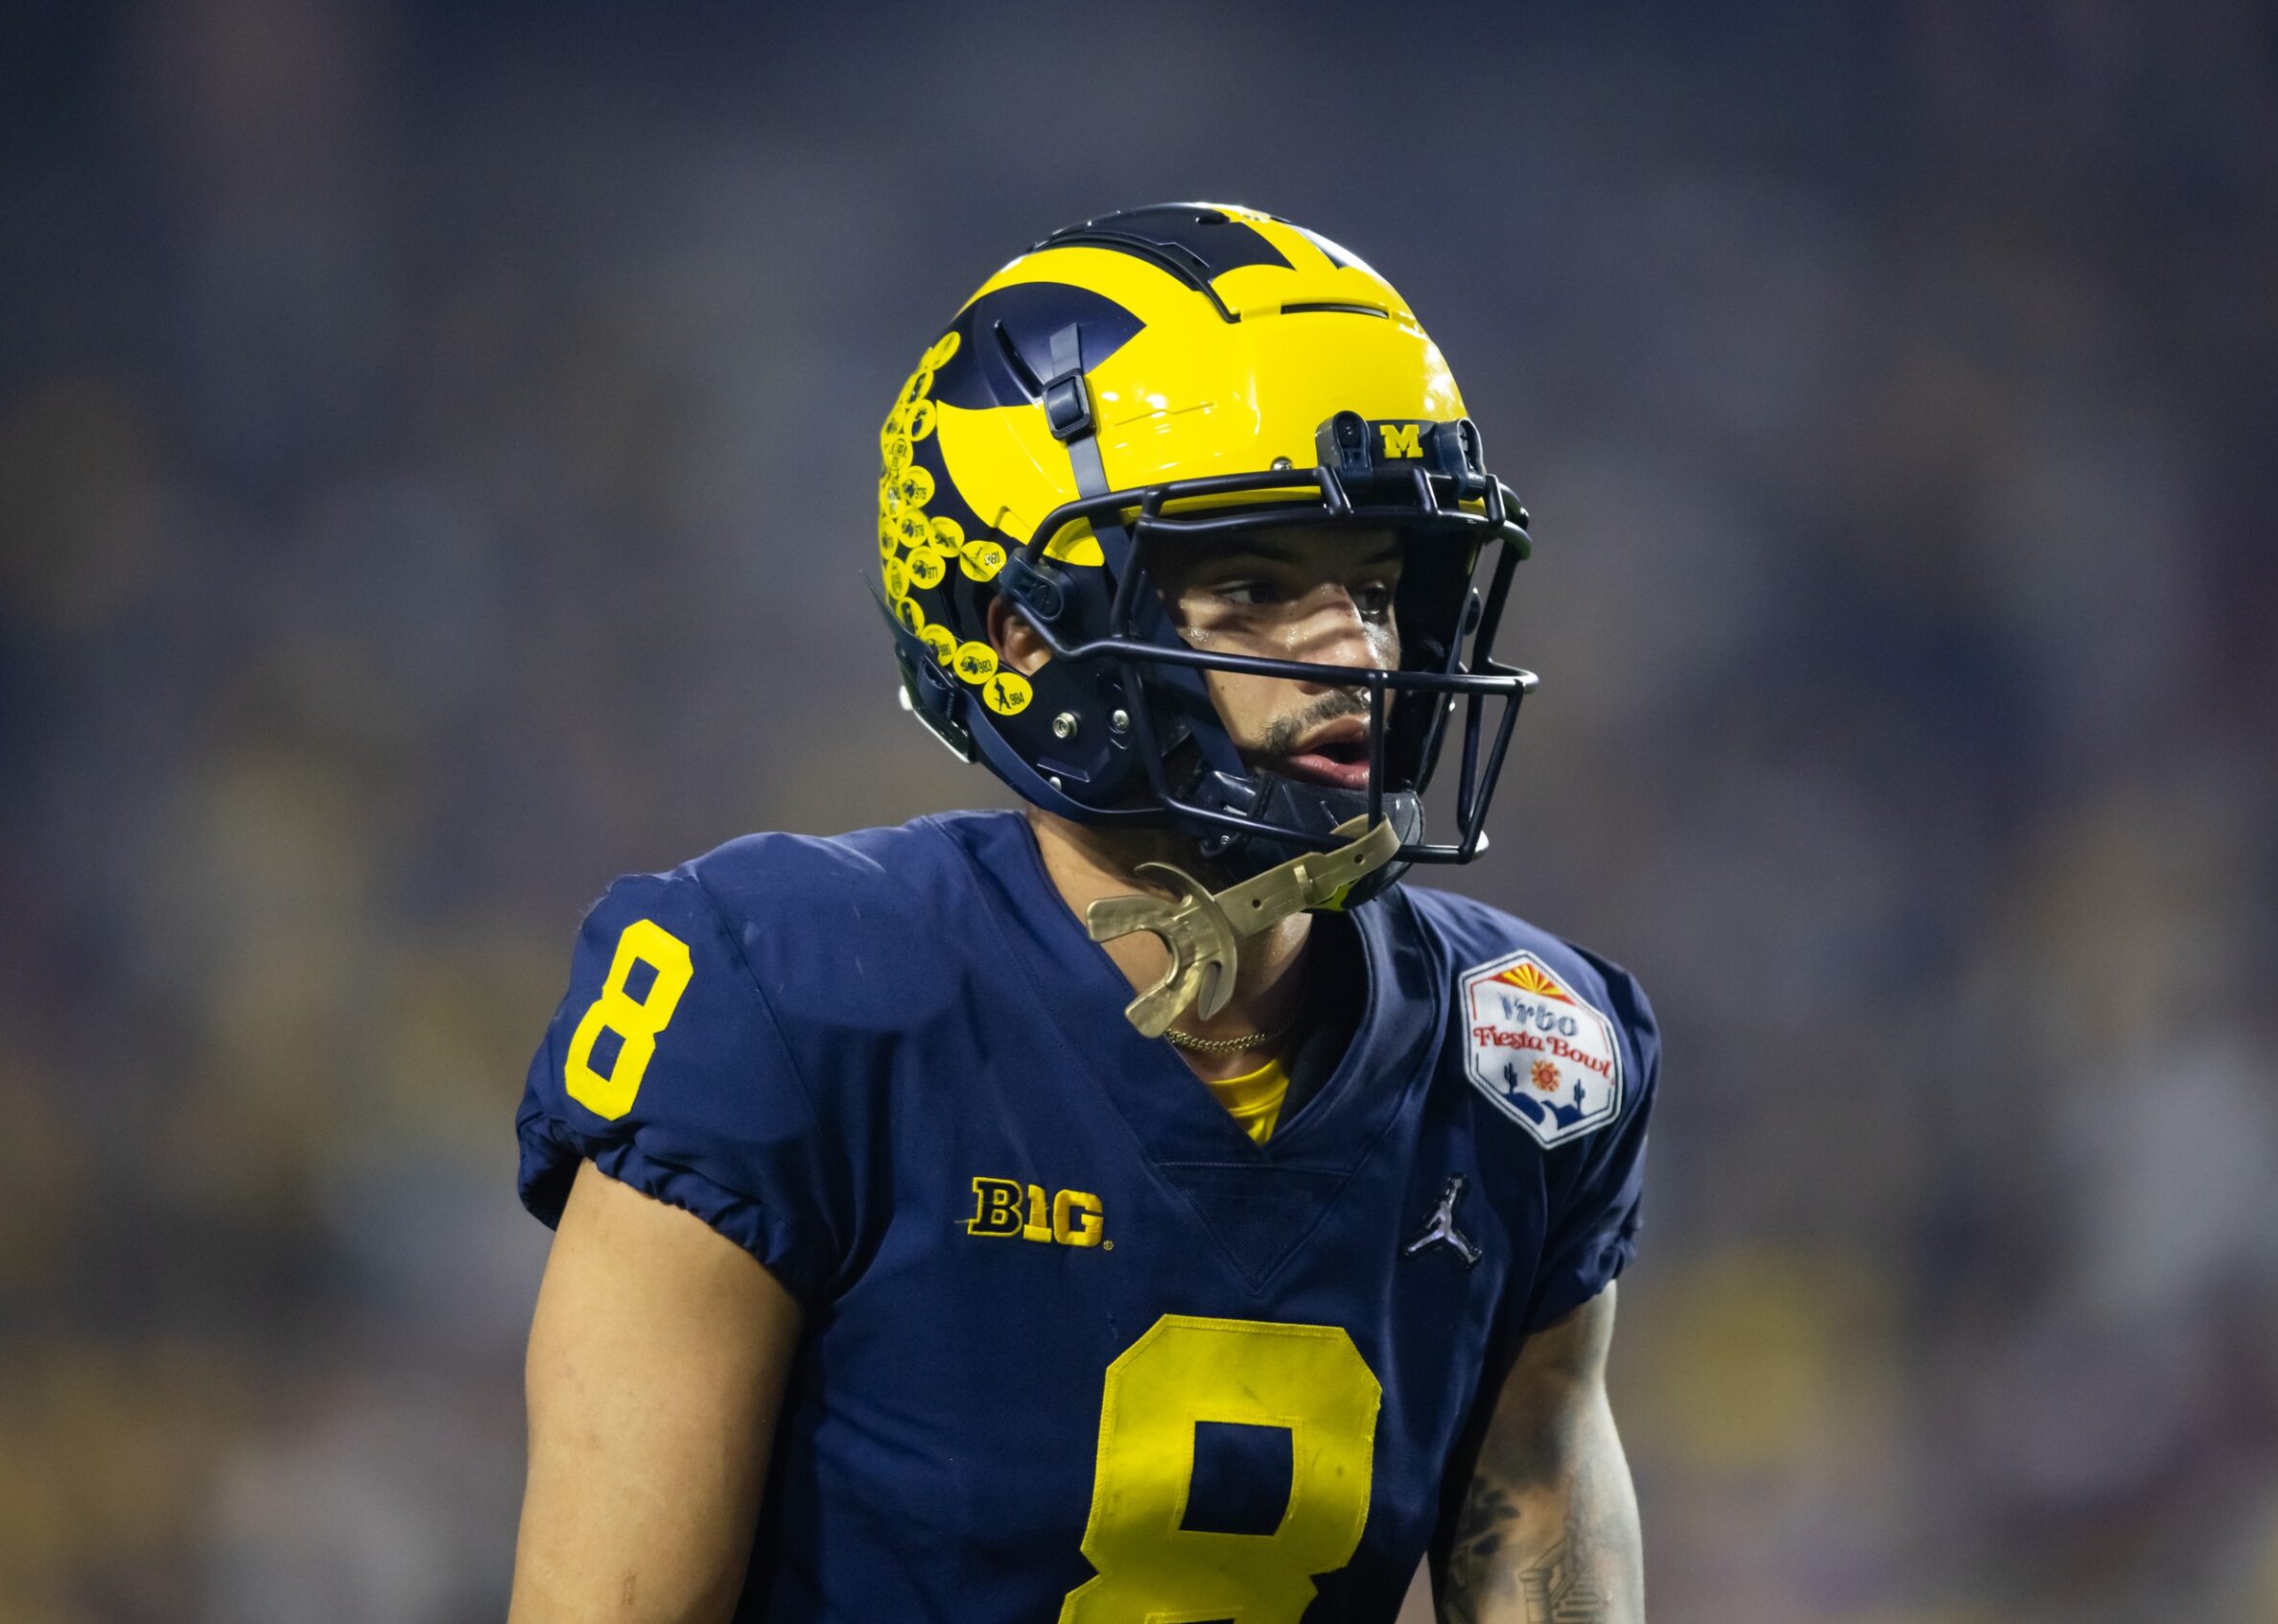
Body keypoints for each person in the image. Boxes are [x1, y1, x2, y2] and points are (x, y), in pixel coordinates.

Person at [505, 203, 1658, 1624]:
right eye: (1252, 585)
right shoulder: (779, 997)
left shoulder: (1525, 1056)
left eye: (1373, 586)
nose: (1352, 649)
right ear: (1025, 634)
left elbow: (1537, 1509)